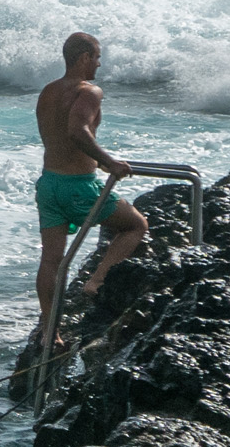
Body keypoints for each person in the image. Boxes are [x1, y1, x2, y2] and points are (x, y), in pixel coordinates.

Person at [34, 31, 147, 328]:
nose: (99, 65)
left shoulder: (48, 91)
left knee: (51, 261)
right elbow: (77, 130)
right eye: (97, 58)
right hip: (78, 187)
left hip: (48, 184)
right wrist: (109, 162)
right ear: (84, 58)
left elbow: (57, 136)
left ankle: (49, 330)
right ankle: (96, 281)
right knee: (136, 225)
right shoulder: (88, 92)